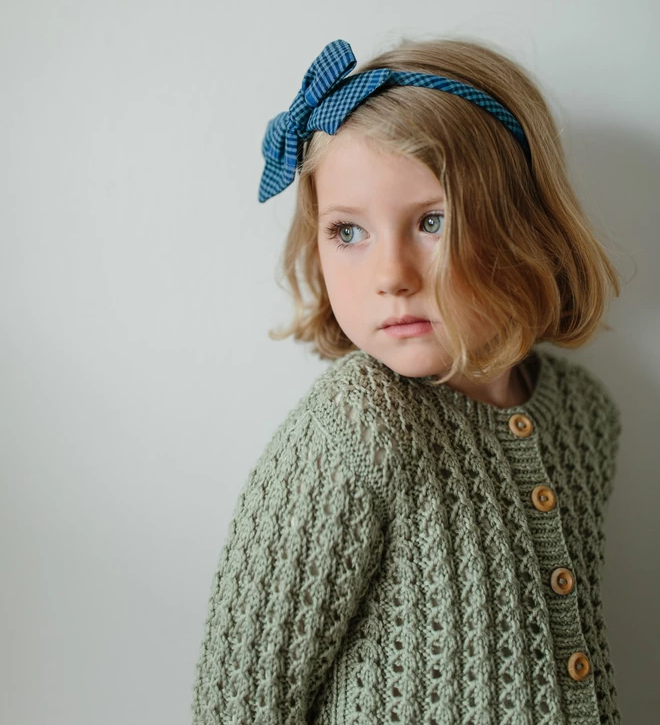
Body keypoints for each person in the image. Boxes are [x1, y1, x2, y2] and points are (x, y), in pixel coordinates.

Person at [190, 37, 624, 723]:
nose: (391, 275)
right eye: (348, 232)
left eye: (431, 222)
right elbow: (240, 702)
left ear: (523, 228)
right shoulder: (355, 428)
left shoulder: (585, 415)